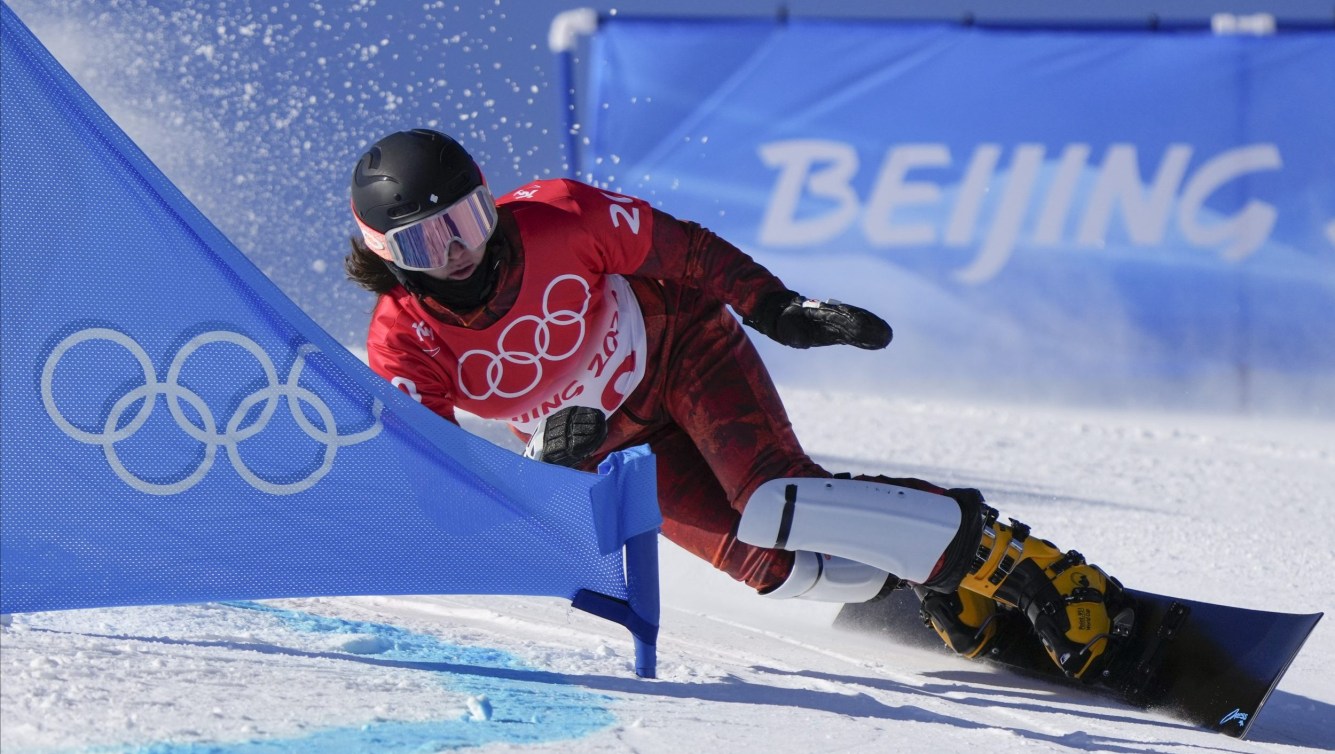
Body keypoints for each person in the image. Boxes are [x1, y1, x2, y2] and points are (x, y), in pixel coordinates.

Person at [344, 128, 1131, 680]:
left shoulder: (559, 215)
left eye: (469, 220)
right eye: (428, 243)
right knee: (777, 567)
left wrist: (775, 307)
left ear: (491, 199)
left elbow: (677, 248)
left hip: (680, 348)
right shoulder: (401, 344)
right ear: (386, 259)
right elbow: (442, 499)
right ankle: (922, 572)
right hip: (608, 448)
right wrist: (541, 476)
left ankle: (1021, 568)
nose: (463, 254)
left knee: (775, 495)